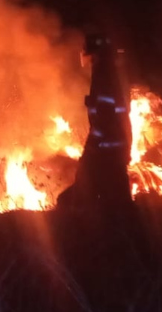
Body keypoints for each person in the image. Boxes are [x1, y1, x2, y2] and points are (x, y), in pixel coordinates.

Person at [57, 33, 134, 210]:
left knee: (81, 198)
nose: (81, 54)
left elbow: (105, 117)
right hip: (115, 148)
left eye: (84, 50)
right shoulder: (109, 75)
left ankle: (85, 230)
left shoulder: (103, 78)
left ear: (94, 53)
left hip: (105, 150)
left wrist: (93, 146)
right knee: (116, 198)